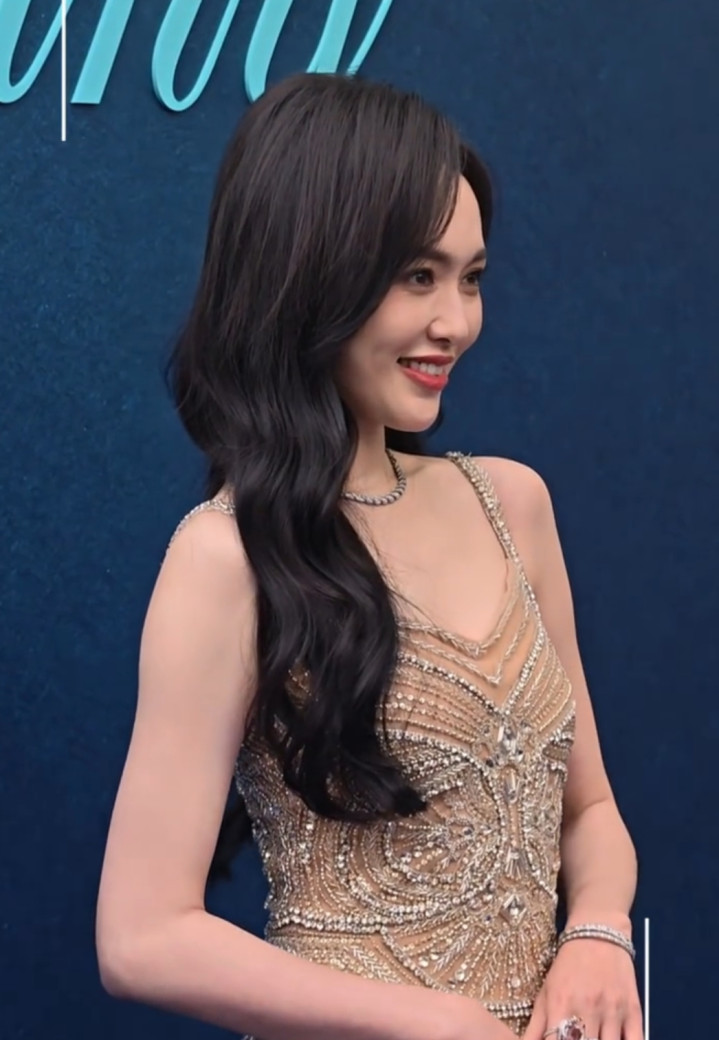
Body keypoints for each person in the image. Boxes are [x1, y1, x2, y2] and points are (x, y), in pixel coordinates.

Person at [95, 72, 643, 1040]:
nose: (455, 322)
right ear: (311, 272)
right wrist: (438, 1023)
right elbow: (141, 935)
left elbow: (587, 808)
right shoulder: (227, 557)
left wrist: (597, 933)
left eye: (470, 277)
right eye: (417, 276)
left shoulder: (511, 503)